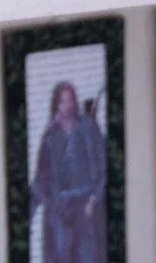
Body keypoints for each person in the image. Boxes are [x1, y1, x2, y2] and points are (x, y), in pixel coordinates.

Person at [34, 80, 107, 263]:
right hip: (60, 207)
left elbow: (102, 166)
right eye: (62, 101)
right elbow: (41, 178)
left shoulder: (88, 128)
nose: (67, 105)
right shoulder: (50, 138)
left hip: (85, 204)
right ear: (56, 105)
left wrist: (93, 199)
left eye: (70, 99)